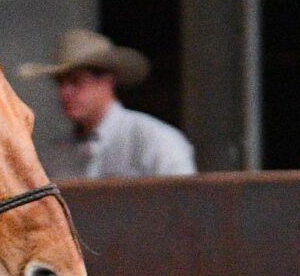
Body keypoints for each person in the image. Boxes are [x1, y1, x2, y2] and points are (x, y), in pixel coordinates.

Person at [26, 29, 195, 179]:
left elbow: (182, 206)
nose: (64, 92)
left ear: (106, 82)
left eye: (76, 81)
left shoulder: (156, 141)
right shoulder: (56, 155)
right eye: (60, 83)